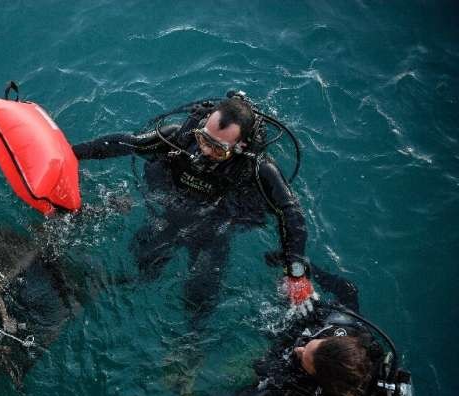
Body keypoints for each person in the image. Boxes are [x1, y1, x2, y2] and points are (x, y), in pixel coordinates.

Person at [72, 92, 316, 327]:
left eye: (218, 148)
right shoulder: (180, 137)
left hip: (214, 228)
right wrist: (71, 154)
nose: (205, 151)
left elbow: (291, 213)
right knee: (142, 262)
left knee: (200, 294)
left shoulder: (258, 169)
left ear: (241, 145)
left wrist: (296, 273)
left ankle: (191, 345)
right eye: (203, 139)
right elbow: (127, 143)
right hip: (173, 215)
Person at [163, 266, 413, 396]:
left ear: (315, 375)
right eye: (312, 345)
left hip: (294, 388)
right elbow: (348, 290)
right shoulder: (343, 328)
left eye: (305, 357)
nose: (301, 349)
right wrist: (303, 270)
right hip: (320, 351)